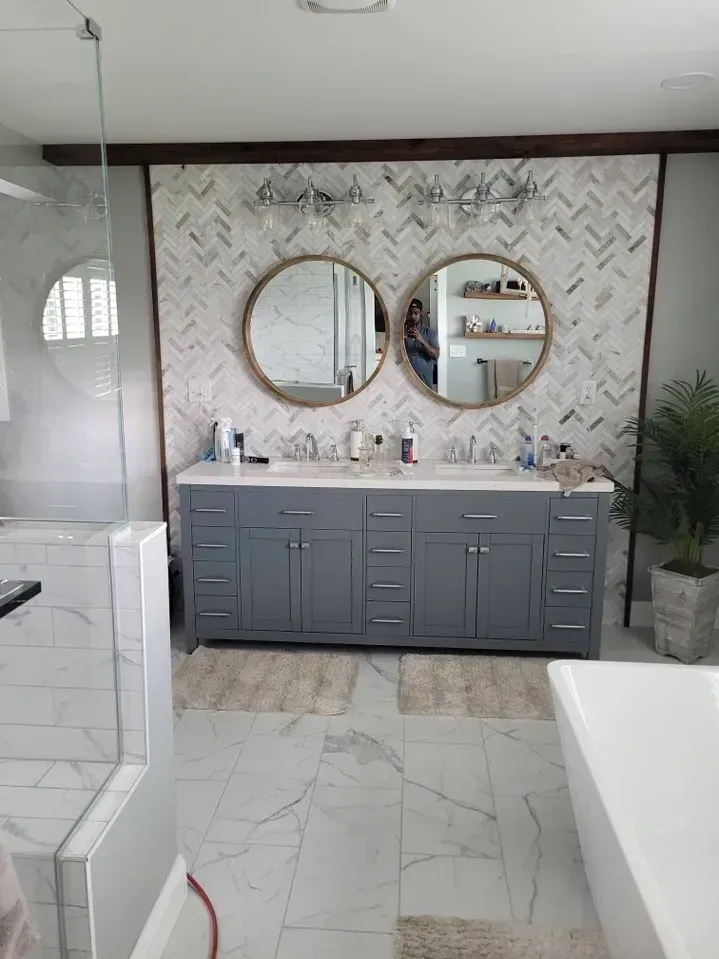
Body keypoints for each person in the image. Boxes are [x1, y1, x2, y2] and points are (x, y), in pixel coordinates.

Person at [404, 298, 440, 389]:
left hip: (424, 381)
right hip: (403, 379)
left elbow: (436, 355)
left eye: (416, 313)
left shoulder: (430, 333)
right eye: (410, 313)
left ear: (421, 314)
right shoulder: (399, 332)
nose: (413, 316)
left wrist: (421, 340)